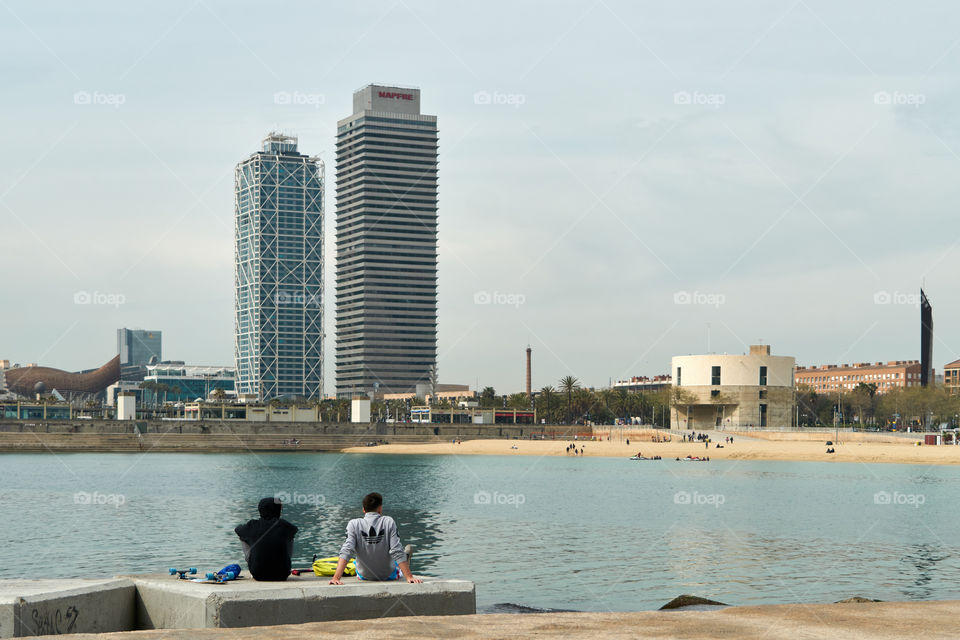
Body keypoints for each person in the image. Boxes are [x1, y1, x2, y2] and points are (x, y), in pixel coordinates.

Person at [330, 492, 422, 584]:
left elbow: (347, 550)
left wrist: (336, 578)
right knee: (397, 560)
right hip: (388, 576)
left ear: (363, 510)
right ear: (380, 509)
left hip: (363, 576)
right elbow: (396, 550)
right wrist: (409, 577)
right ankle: (405, 557)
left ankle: (404, 557)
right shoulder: (388, 522)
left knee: (355, 562)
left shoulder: (353, 524)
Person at [234, 497, 298, 582]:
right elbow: (294, 529)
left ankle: (253, 560)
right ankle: (284, 560)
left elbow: (238, 529)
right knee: (290, 535)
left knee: (243, 536)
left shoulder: (252, 525)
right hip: (282, 574)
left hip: (258, 574)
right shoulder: (284, 525)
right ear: (276, 509)